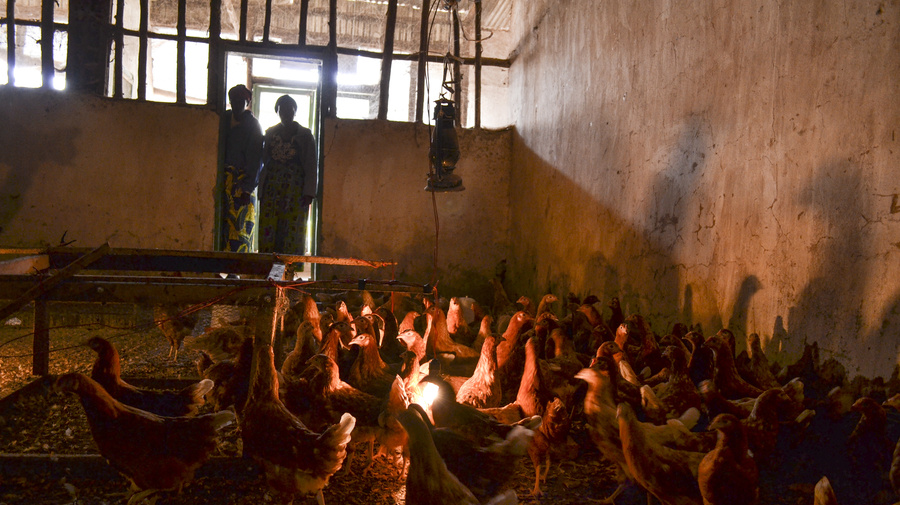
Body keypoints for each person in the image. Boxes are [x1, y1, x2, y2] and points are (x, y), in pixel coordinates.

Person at [258, 95, 318, 269]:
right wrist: (262, 190)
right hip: (272, 188)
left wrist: (309, 192)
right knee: (270, 227)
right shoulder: (270, 133)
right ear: (277, 111)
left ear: (295, 111)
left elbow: (311, 164)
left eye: (289, 109)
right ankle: (268, 268)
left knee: (292, 228)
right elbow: (265, 161)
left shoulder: (305, 135)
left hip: (295, 189)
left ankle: (289, 269)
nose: (285, 113)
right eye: (281, 110)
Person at [221, 84, 263, 253]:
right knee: (222, 224)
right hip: (223, 182)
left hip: (242, 183)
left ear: (247, 102)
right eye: (233, 101)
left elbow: (256, 160)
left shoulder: (253, 126)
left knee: (240, 228)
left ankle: (236, 269)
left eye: (241, 101)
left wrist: (246, 189)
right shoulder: (223, 119)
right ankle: (221, 266)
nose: (236, 104)